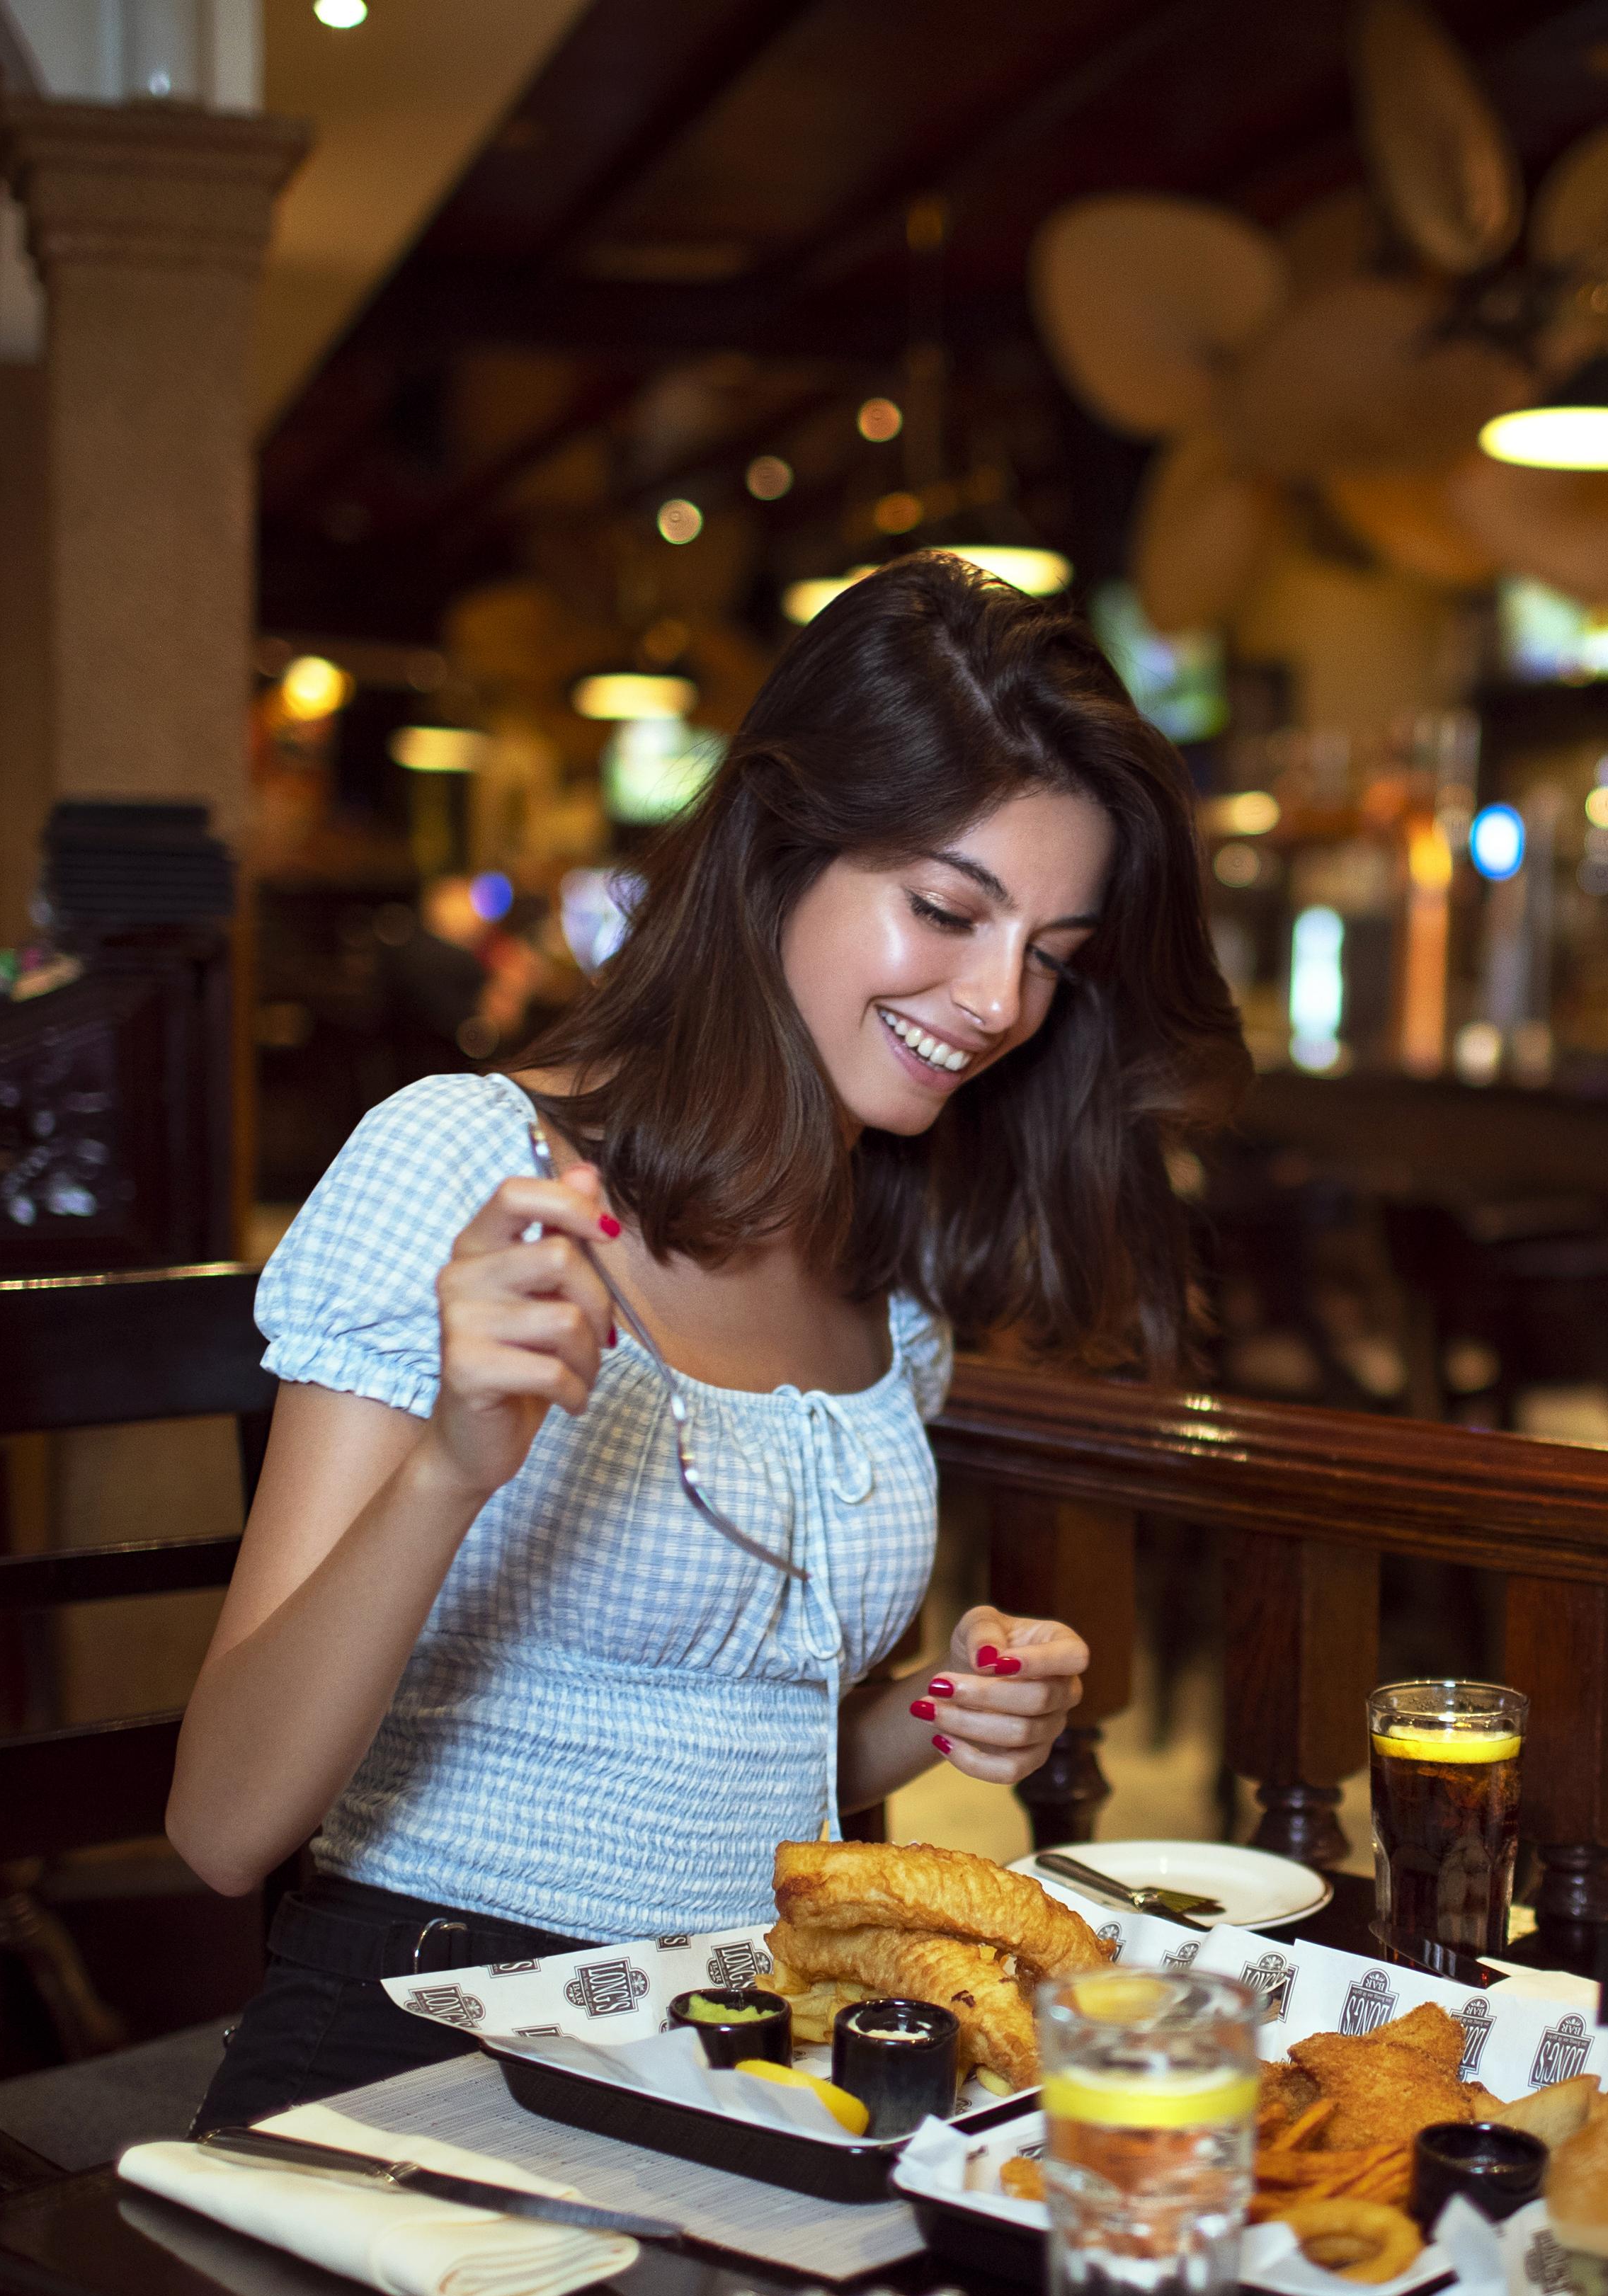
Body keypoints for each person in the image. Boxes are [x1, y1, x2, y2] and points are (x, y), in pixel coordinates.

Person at [171, 557, 1248, 2128]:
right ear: (776, 851)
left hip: (753, 2044)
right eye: (948, 909)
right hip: (440, 2024)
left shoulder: (889, 1271)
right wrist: (447, 1471)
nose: (1001, 999)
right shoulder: (468, 1167)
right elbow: (222, 1825)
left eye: (1054, 955)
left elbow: (748, 1751)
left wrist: (939, 1707)